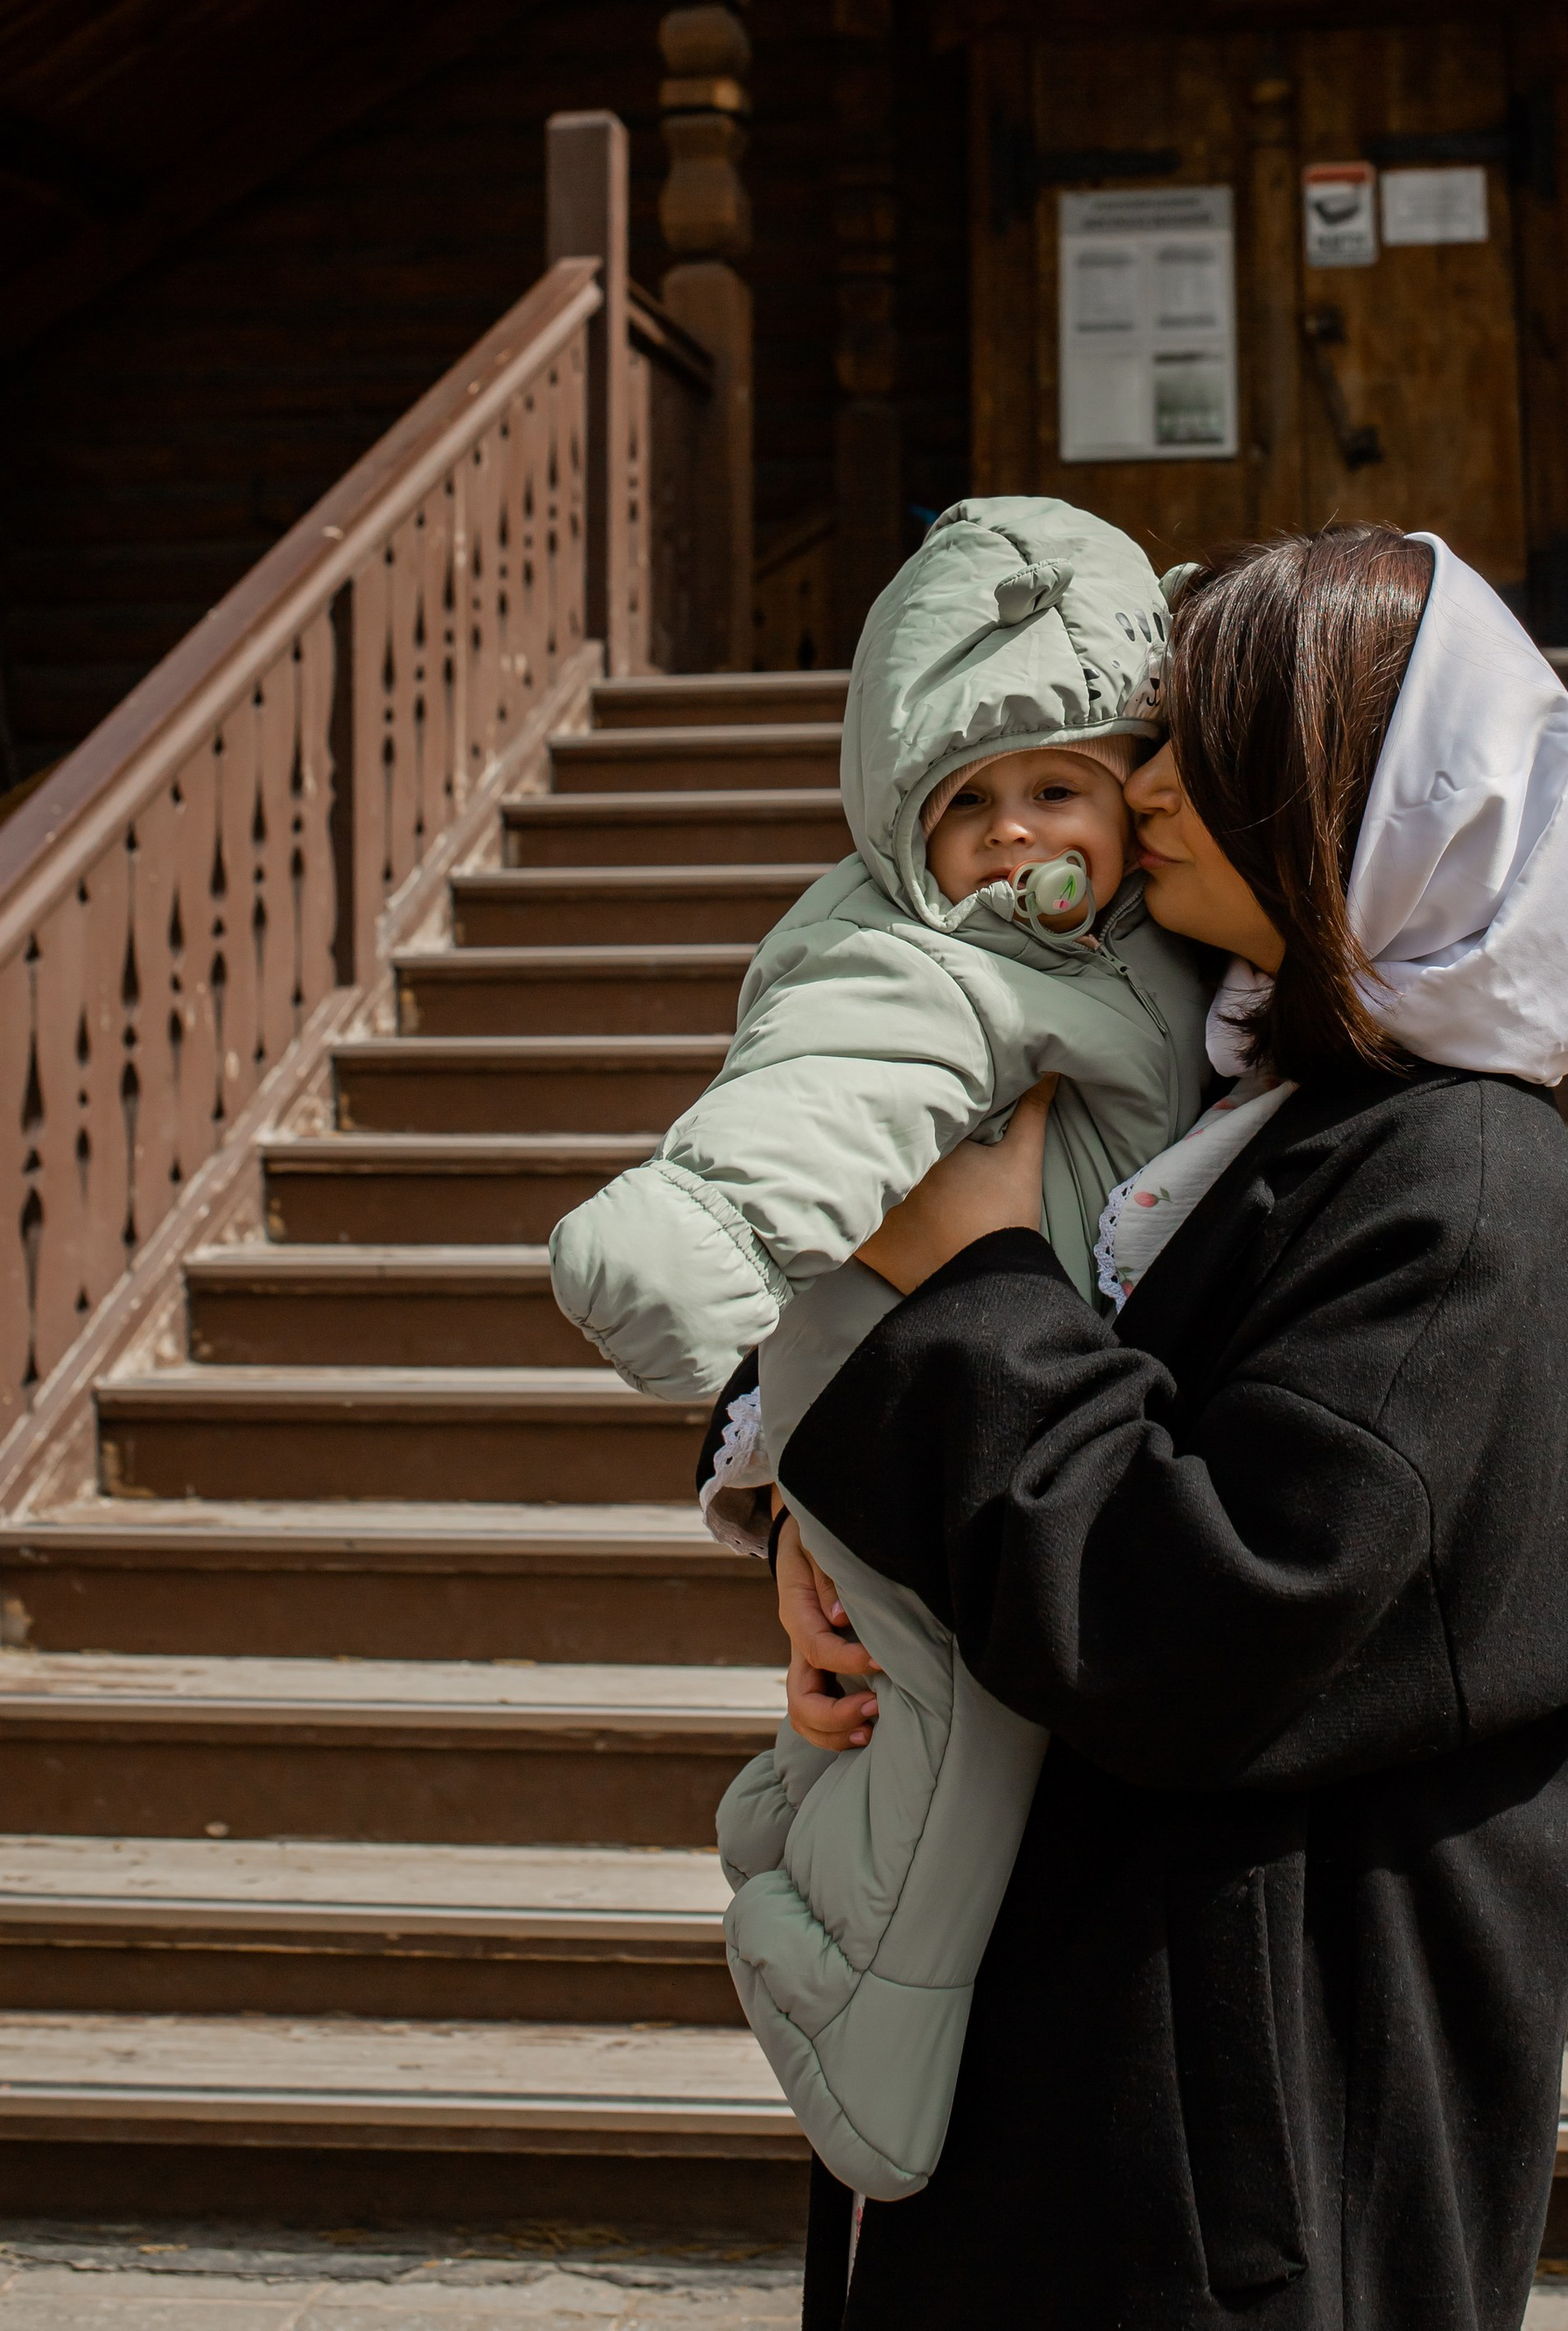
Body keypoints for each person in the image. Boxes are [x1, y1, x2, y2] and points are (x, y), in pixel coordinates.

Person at [772, 521, 1568, 2331]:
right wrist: (825, 1554)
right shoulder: (1248, 1107)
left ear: (1361, 793)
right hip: (1097, 2078)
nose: (1146, 783)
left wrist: (970, 1286)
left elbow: (1195, 1620)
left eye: (1215, 740)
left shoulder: (1459, 1185)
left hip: (1239, 2157)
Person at [546, 496, 1210, 2193]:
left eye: (1055, 789)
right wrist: (692, 1250)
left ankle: (787, 1841)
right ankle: (846, 2020)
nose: (1009, 840)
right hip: (919, 1399)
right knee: (956, 1743)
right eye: (964, 804)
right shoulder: (927, 959)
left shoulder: (1169, 951)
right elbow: (821, 1099)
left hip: (1009, 1414)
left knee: (902, 1719)